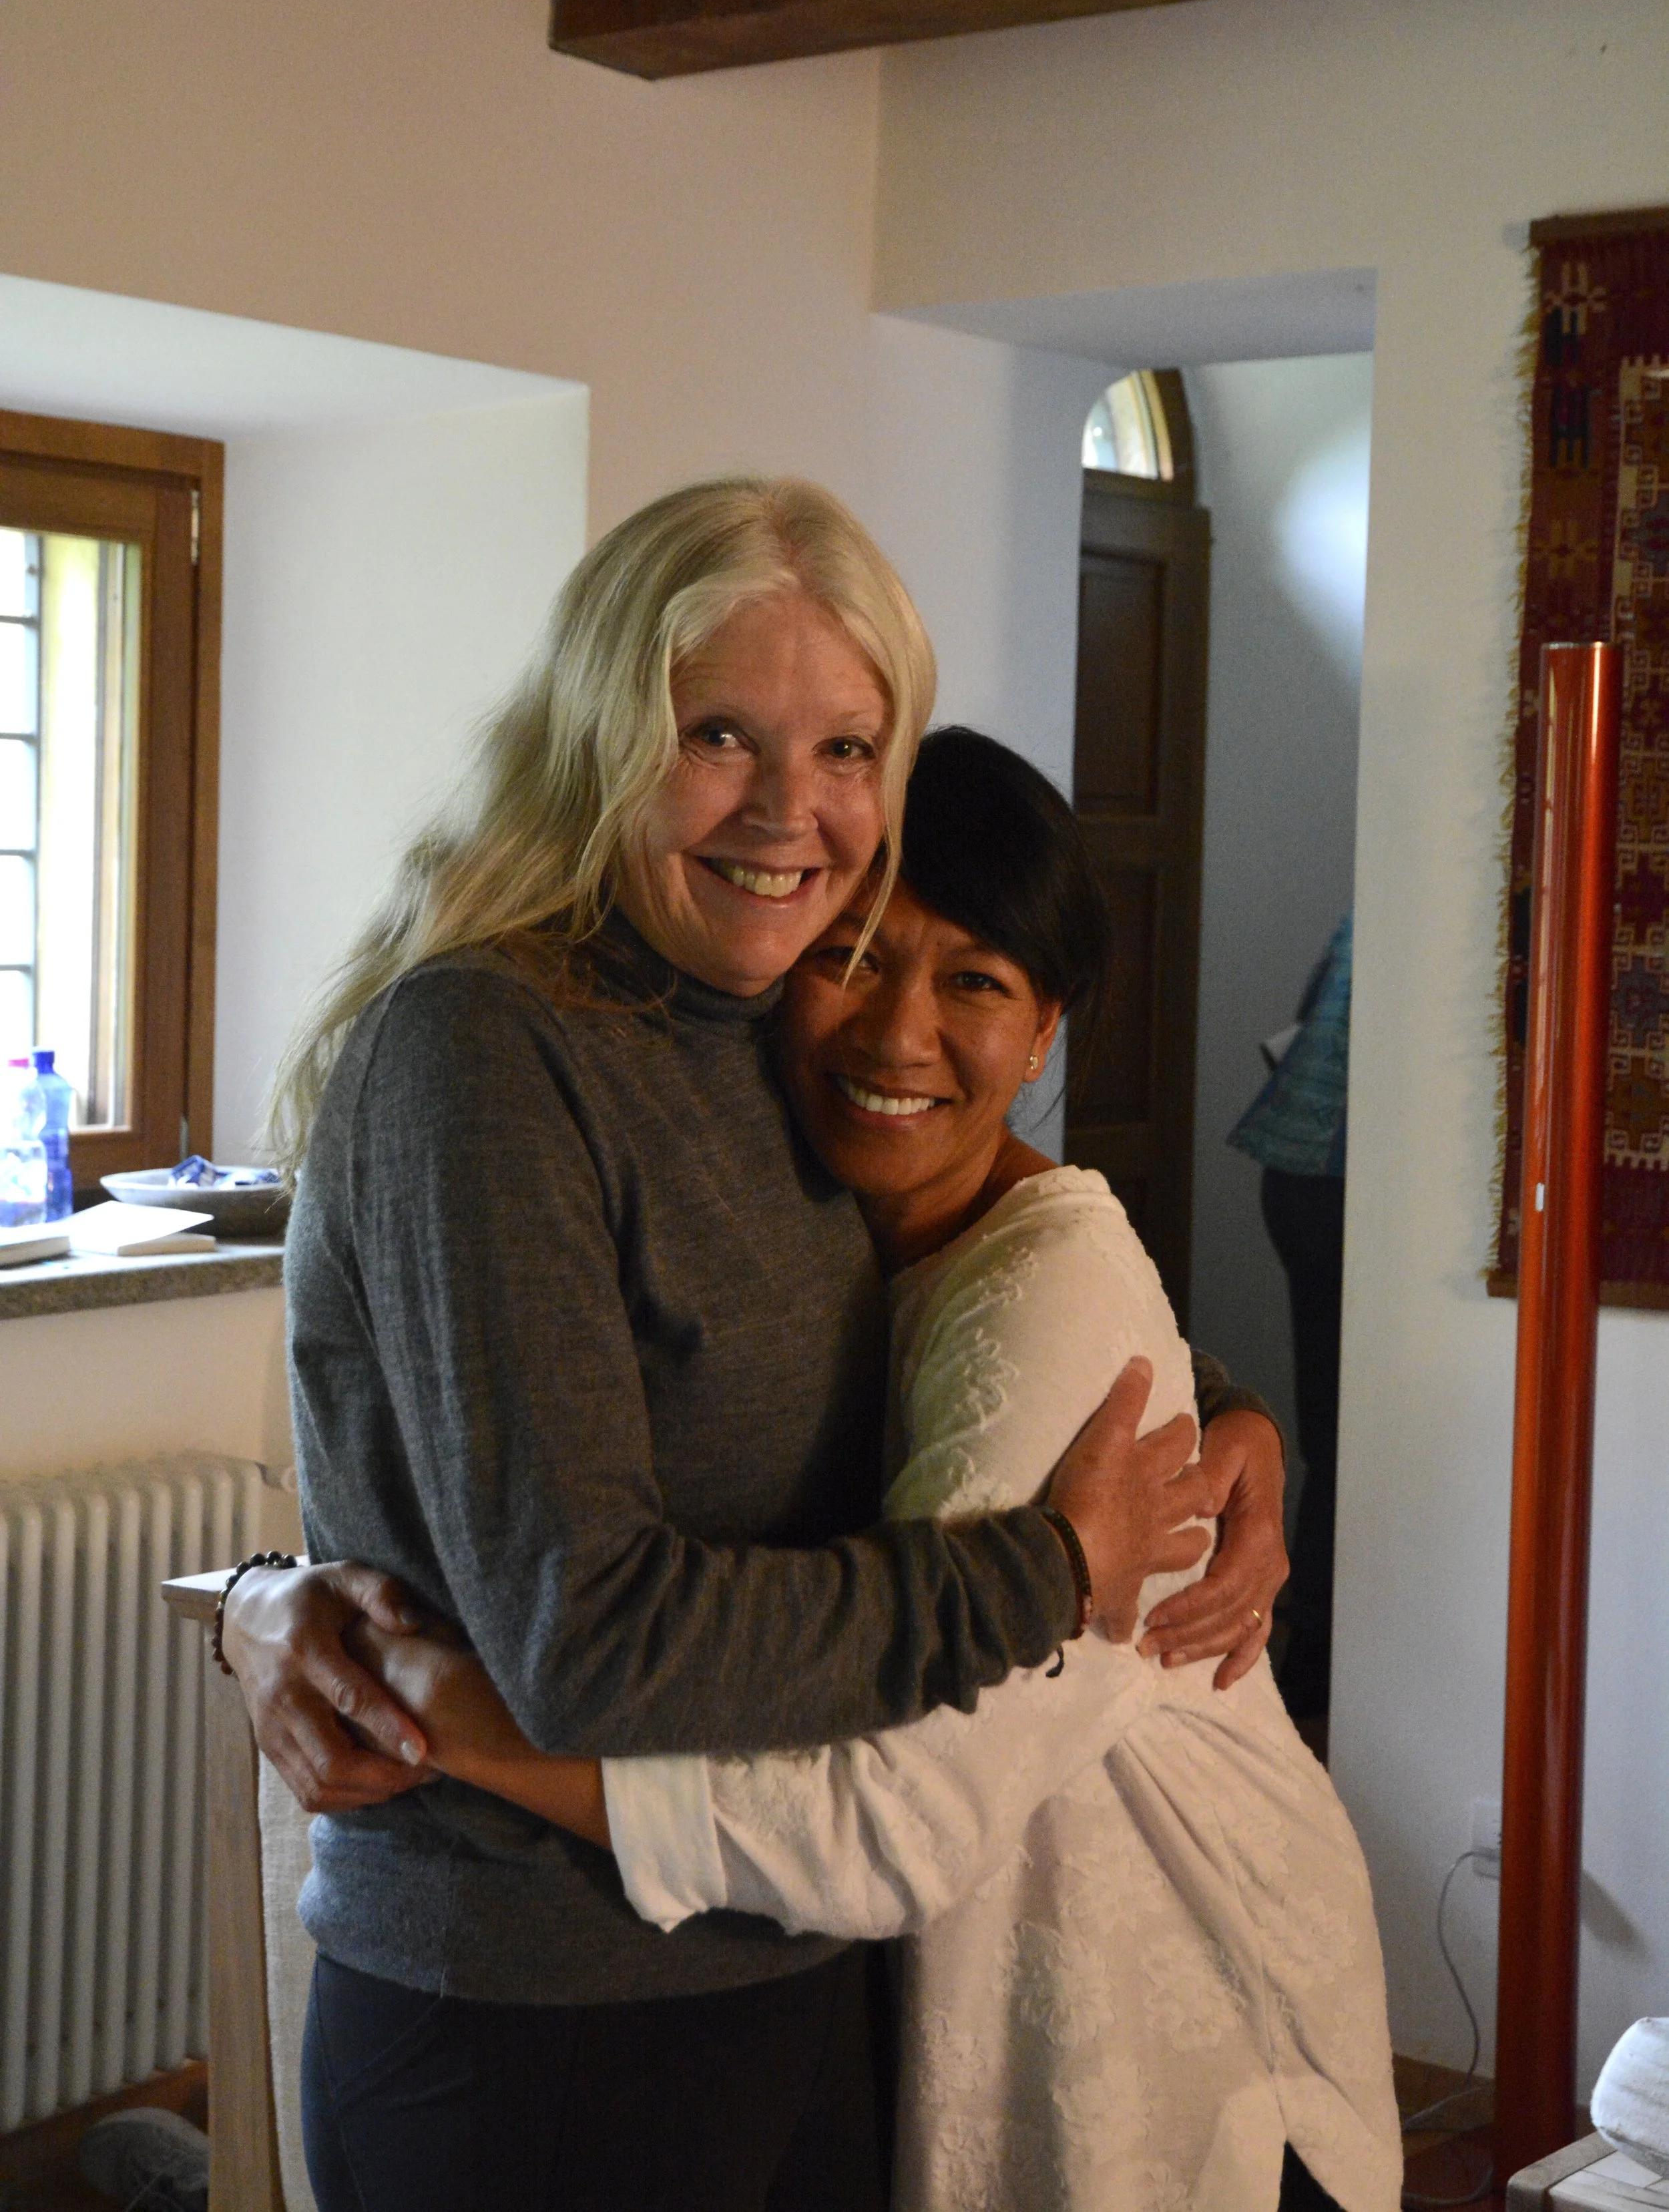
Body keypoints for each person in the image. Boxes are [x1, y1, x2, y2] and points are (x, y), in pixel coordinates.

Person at [223, 479, 1290, 2212]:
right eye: (718, 733)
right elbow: (589, 1635)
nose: (791, 808)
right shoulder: (490, 1049)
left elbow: (941, 1255)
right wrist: (1047, 1563)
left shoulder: (754, 1017)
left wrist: (1223, 1412)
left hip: (783, 1967)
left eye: (847, 748)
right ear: (598, 734)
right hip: (535, 2016)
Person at [343, 732, 1401, 2212]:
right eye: (848, 957)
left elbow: (895, 1816)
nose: (895, 1034)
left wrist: (464, 1732)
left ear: (1045, 1035)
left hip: (1181, 2052)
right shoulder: (810, 1204)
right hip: (942, 2035)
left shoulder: (1045, 1292)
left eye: (972, 981)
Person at [1229, 911, 1352, 1726]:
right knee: (1347, 1452)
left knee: (1336, 1448)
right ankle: (1308, 1685)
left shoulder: (1369, 910)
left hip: (1307, 1178)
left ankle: (1308, 1677)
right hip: (1331, 1185)